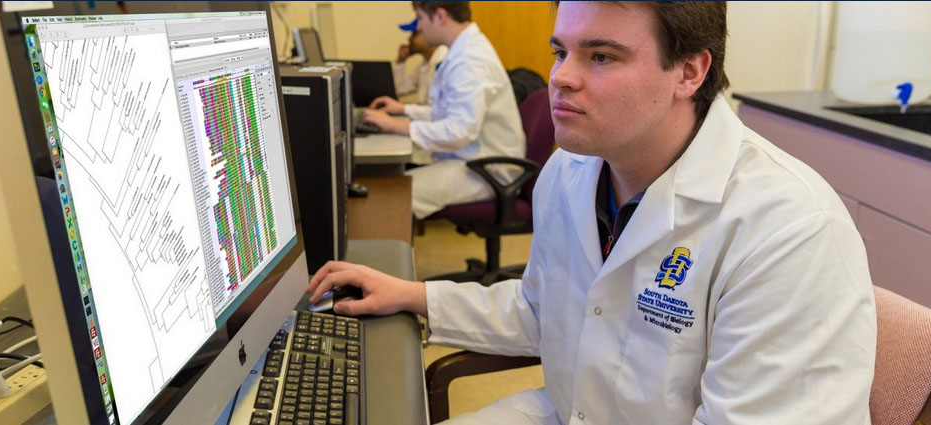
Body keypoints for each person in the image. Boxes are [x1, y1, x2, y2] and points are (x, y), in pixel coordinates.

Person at [313, 2, 877, 424]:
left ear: (689, 72)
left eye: (601, 56)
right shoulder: (570, 171)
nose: (561, 76)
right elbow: (545, 308)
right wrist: (412, 295)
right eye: (562, 51)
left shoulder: (787, 229)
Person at [363, 1, 526, 219]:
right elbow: (447, 113)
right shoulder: (461, 51)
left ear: (440, 16)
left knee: (390, 197)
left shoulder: (470, 61)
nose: (418, 27)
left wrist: (395, 125)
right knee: (387, 183)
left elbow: (458, 131)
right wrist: (404, 109)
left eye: (420, 18)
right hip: (472, 158)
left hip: (487, 170)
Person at [394, 25, 448, 105]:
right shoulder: (423, 65)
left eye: (414, 34)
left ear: (429, 34)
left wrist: (405, 109)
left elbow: (437, 109)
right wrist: (400, 61)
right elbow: (399, 89)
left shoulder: (443, 60)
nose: (409, 39)